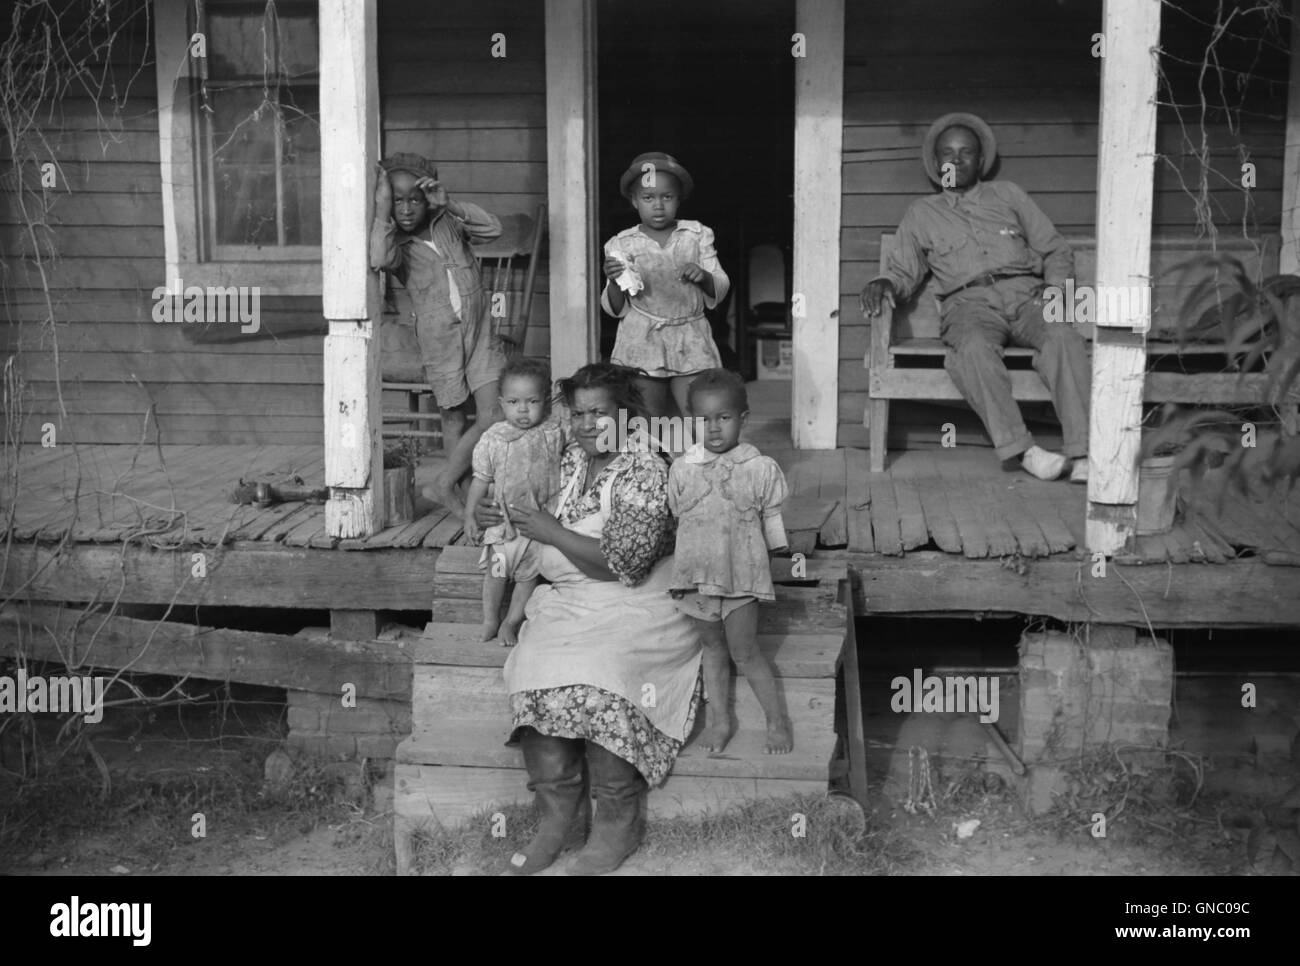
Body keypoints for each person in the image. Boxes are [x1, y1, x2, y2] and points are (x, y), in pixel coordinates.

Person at [474, 363, 702, 876]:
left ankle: (617, 822)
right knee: (536, 663)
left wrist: (550, 530)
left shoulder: (645, 467)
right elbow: (519, 496)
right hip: (573, 601)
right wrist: (495, 513)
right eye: (577, 414)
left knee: (604, 671)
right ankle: (561, 819)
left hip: (640, 602)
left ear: (628, 416)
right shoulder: (572, 457)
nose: (585, 424)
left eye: (599, 413)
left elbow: (626, 563)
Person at [859, 113, 1090, 483]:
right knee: (971, 351)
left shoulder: (1008, 195)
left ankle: (1083, 455)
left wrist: (1057, 292)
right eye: (947, 153)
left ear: (980, 161)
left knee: (1065, 338)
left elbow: (1055, 250)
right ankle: (1024, 451)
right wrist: (884, 282)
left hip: (1027, 295)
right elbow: (902, 271)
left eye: (966, 152)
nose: (957, 159)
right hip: (969, 305)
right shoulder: (922, 213)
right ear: (936, 164)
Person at [370, 152, 506, 516]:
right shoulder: (398, 244)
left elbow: (493, 228)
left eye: (414, 199)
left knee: (491, 413)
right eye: (397, 200)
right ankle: (458, 492)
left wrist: (450, 204)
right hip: (439, 339)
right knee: (453, 415)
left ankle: (443, 482)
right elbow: (379, 260)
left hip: (480, 332)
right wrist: (382, 211)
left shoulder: (447, 221)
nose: (407, 209)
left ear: (427, 197)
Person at [668, 369, 792, 755]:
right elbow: (678, 515)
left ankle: (776, 719)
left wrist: (772, 556)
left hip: (741, 577)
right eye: (704, 420)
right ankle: (721, 721)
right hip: (697, 578)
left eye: (724, 418)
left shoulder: (758, 468)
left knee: (745, 650)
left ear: (743, 419)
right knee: (712, 649)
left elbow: (771, 516)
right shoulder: (682, 469)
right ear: (691, 422)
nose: (715, 428)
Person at [601, 151, 730, 425]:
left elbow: (721, 285)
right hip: (642, 337)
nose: (658, 205)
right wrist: (614, 281)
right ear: (634, 201)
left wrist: (703, 275)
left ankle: (695, 467)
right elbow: (615, 308)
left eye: (666, 197)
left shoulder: (696, 235)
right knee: (647, 419)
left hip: (690, 335)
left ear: (679, 199)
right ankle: (656, 466)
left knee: (699, 414)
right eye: (648, 198)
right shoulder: (621, 244)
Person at [464, 358, 566, 645]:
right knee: (496, 573)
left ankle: (511, 622)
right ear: (501, 403)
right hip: (502, 522)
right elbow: (480, 480)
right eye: (513, 401)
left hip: (538, 524)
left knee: (527, 578)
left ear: (545, 402)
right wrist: (471, 515)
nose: (523, 409)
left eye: (532, 401)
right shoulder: (492, 439)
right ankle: (490, 619)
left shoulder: (553, 433)